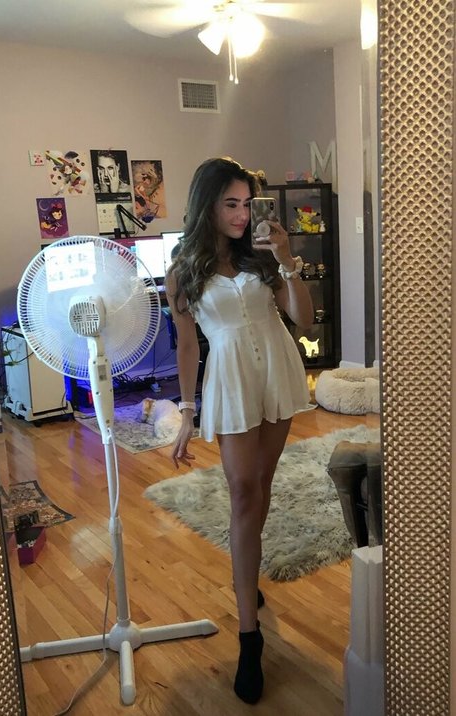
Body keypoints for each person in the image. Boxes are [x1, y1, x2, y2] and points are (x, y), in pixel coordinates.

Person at [165, 157, 313, 705]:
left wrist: (287, 260)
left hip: (277, 370)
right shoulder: (184, 270)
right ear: (206, 204)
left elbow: (303, 320)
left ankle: (246, 578)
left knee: (261, 486)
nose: (242, 214)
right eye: (230, 203)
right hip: (230, 380)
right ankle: (249, 637)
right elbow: (187, 345)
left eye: (248, 203)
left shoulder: (263, 255)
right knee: (243, 492)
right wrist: (186, 411)